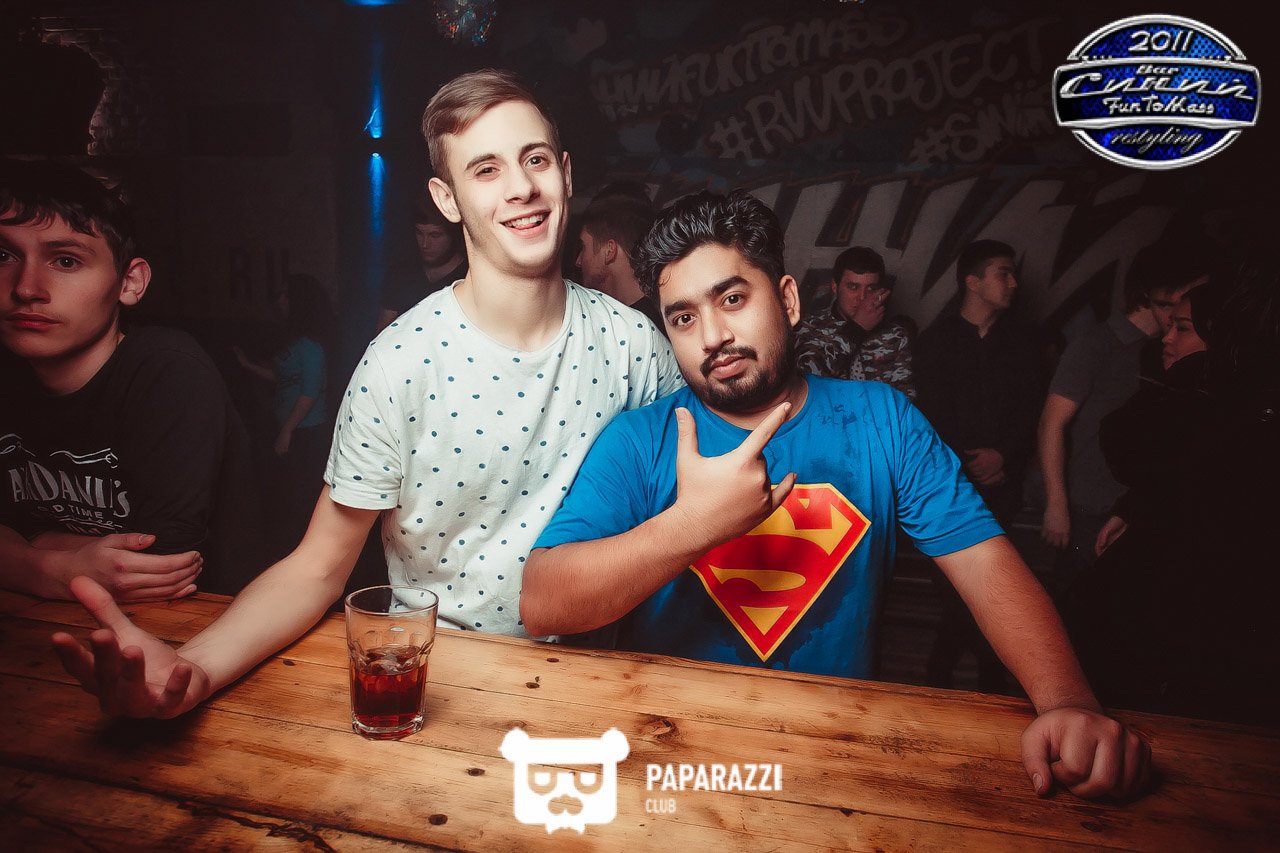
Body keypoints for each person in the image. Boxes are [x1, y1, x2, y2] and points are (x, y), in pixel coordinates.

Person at [49, 69, 681, 718]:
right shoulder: (399, 364)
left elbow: (688, 526)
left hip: (600, 686)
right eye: (486, 169)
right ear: (446, 199)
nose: (521, 187)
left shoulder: (636, 347)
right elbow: (318, 567)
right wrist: (195, 669)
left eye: (536, 159)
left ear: (566, 174)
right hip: (439, 691)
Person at [522, 190, 1149, 801]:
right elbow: (543, 604)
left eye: (733, 299)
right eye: (684, 317)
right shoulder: (640, 440)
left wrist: (1067, 701)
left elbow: (985, 565)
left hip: (831, 759)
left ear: (788, 299)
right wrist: (690, 526)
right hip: (673, 760)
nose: (712, 336)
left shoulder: (884, 420)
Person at [0, 158, 263, 600]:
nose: (27, 288)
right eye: (4, 255)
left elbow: (158, 567)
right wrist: (54, 568)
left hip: (195, 623)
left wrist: (28, 544)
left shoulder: (168, 370)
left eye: (65, 260)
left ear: (130, 283)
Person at [1068, 265, 1279, 725]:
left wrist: (1193, 374)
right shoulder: (1217, 404)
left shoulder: (1227, 403)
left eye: (1182, 328)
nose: (1166, 338)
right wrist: (1133, 507)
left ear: (1222, 339)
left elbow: (1135, 445)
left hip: (1204, 624)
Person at [915, 239, 1042, 691]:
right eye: (1003, 272)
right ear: (972, 281)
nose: (1013, 282)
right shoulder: (935, 342)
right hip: (952, 484)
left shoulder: (1025, 342)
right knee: (961, 587)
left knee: (994, 583)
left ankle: (952, 677)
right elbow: (931, 417)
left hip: (1004, 483)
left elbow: (1032, 410)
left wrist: (1003, 455)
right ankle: (980, 677)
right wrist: (970, 463)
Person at [1036, 247, 1188, 592]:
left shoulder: (1165, 348)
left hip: (1133, 504)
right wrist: (1056, 505)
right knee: (1077, 600)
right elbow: (1051, 424)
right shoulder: (1096, 344)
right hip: (1089, 505)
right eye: (1173, 301)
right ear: (1152, 296)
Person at [234, 273, 334, 560]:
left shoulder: (311, 346)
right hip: (289, 430)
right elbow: (283, 379)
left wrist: (287, 431)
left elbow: (309, 392)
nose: (280, 300)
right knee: (284, 498)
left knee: (300, 500)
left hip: (306, 433)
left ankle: (302, 559)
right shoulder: (294, 342)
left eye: (285, 295)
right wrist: (247, 365)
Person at [794, 246, 915, 398]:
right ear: (835, 287)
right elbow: (804, 382)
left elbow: (904, 399)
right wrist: (856, 329)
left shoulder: (895, 336)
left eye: (871, 288)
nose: (862, 297)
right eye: (853, 287)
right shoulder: (808, 328)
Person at [375, 193, 468, 332]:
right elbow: (382, 333)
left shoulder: (469, 278)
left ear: (453, 235)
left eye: (435, 235)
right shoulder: (401, 274)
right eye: (419, 233)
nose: (425, 244)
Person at [575, 191, 664, 330]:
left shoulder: (640, 328)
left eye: (584, 247)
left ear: (609, 251)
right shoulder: (658, 313)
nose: (578, 261)